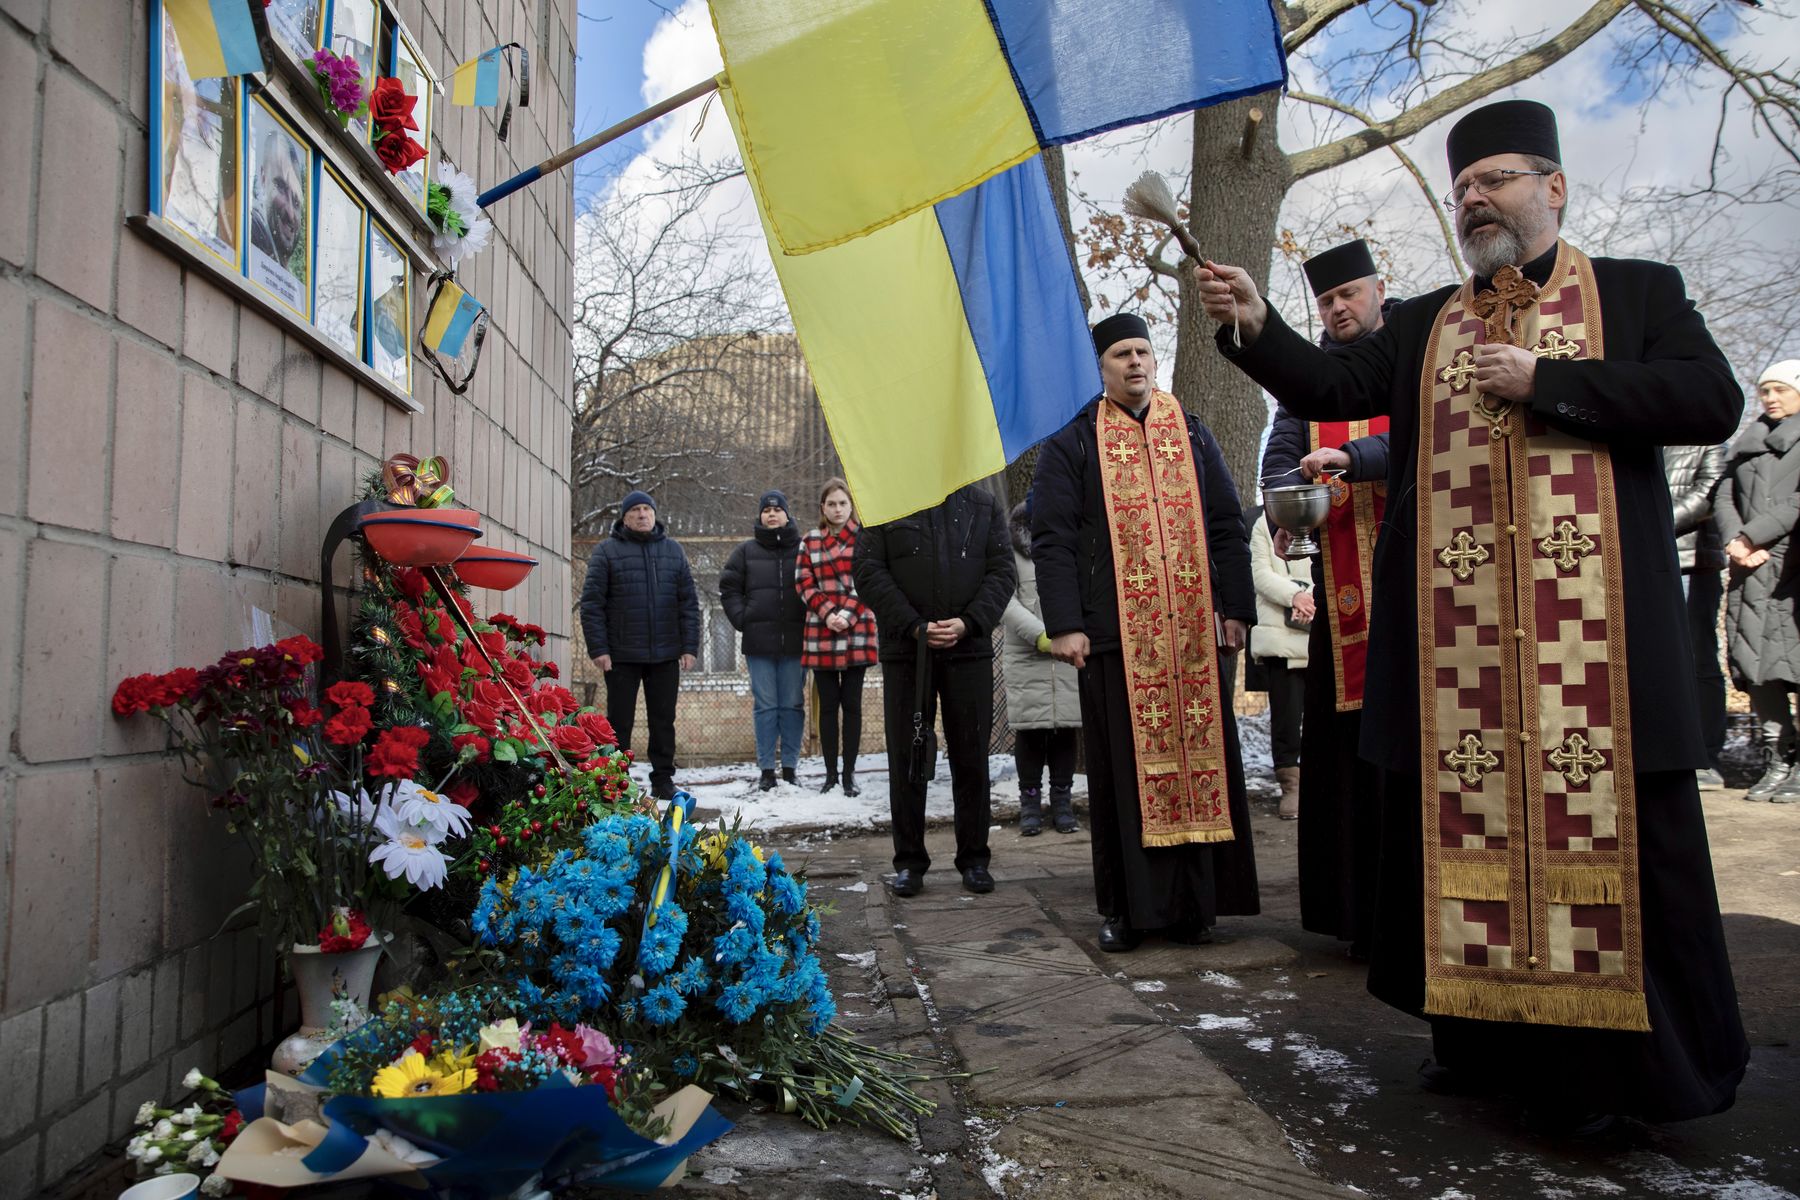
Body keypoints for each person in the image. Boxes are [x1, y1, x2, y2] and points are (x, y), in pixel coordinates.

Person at [1195, 99, 1748, 1127]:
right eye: (1462, 189)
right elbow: (1323, 377)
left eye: (1495, 180)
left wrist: (1551, 382)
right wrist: (1254, 321)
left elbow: (1709, 400)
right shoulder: (1425, 324)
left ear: (1555, 188)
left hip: (1601, 662)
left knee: (1628, 860)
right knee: (1467, 854)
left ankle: (1628, 1082)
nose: (1476, 200)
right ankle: (1494, 1049)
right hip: (1467, 668)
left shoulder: (1635, 294)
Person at [1031, 313, 1260, 952]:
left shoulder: (1191, 431)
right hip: (1113, 636)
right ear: (1100, 368)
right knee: (1122, 777)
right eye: (1121, 355)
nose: (1135, 363)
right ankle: (1127, 911)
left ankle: (1197, 907)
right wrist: (1067, 624)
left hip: (1192, 631)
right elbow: (1051, 538)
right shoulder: (1074, 441)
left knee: (1200, 767)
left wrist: (1236, 606)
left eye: (1143, 352)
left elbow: (1224, 522)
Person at [1260, 237, 1394, 958]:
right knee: (1345, 756)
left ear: (1379, 290)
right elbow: (1280, 455)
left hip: (1415, 591)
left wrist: (1356, 457)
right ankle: (1354, 915)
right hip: (1341, 598)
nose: (1338, 309)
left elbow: (1427, 439)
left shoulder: (1414, 351)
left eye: (1348, 295)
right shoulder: (1307, 378)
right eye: (1325, 302)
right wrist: (1284, 505)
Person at [855, 484, 1014, 896]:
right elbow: (869, 570)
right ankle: (909, 861)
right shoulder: (887, 501)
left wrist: (970, 621)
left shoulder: (982, 505)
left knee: (972, 756)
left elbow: (1002, 570)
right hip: (907, 651)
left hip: (969, 649)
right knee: (908, 759)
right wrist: (912, 624)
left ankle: (975, 858)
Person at [579, 490, 699, 801]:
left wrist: (689, 647)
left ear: (655, 515)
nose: (642, 515)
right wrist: (599, 649)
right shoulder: (607, 552)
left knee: (663, 720)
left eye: (647, 509)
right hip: (621, 656)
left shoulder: (673, 552)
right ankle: (618, 779)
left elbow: (688, 603)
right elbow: (592, 605)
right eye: (636, 510)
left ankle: (663, 779)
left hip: (666, 653)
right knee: (619, 722)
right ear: (625, 517)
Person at [1720, 360, 1800, 803]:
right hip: (1749, 566)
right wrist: (1738, 539)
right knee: (1758, 666)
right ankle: (1778, 759)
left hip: (1790, 566)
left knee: (1796, 663)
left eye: (1780, 390)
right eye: (1765, 390)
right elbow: (1724, 496)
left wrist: (1758, 535)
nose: (1770, 397)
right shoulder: (1747, 445)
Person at [1000, 498, 1082, 836]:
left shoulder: (1073, 545)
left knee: (1066, 727)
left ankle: (1062, 800)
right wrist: (1041, 636)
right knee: (1031, 731)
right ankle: (1030, 801)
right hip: (1028, 652)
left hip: (1069, 652)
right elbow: (1005, 599)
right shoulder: (1011, 552)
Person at [720, 490, 807, 792]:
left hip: (797, 643)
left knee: (793, 705)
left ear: (787, 514)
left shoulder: (803, 548)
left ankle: (791, 767)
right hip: (759, 645)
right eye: (766, 510)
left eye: (777, 509)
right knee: (766, 706)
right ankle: (767, 769)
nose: (772, 514)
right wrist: (743, 619)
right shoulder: (745, 551)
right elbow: (728, 588)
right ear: (760, 516)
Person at [796, 478, 878, 796]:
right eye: (831, 503)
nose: (838, 508)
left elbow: (871, 578)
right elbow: (803, 582)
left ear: (851, 505)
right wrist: (830, 612)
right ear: (822, 508)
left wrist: (848, 613)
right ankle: (830, 773)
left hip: (857, 628)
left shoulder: (866, 538)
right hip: (822, 629)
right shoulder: (810, 541)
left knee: (852, 706)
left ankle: (849, 774)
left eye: (843, 503)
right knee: (828, 707)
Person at [1666, 441, 1730, 792]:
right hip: (1650, 560)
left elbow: (1708, 493)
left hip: (1692, 562)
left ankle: (1706, 756)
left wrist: (1652, 521)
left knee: (1698, 659)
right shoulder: (1645, 437)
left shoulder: (1708, 439)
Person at [1248, 514, 1313, 820]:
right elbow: (1260, 573)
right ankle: (1292, 786)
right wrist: (1294, 596)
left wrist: (1314, 602)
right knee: (1286, 719)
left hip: (1316, 625)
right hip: (1281, 635)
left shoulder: (1320, 514)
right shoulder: (1264, 525)